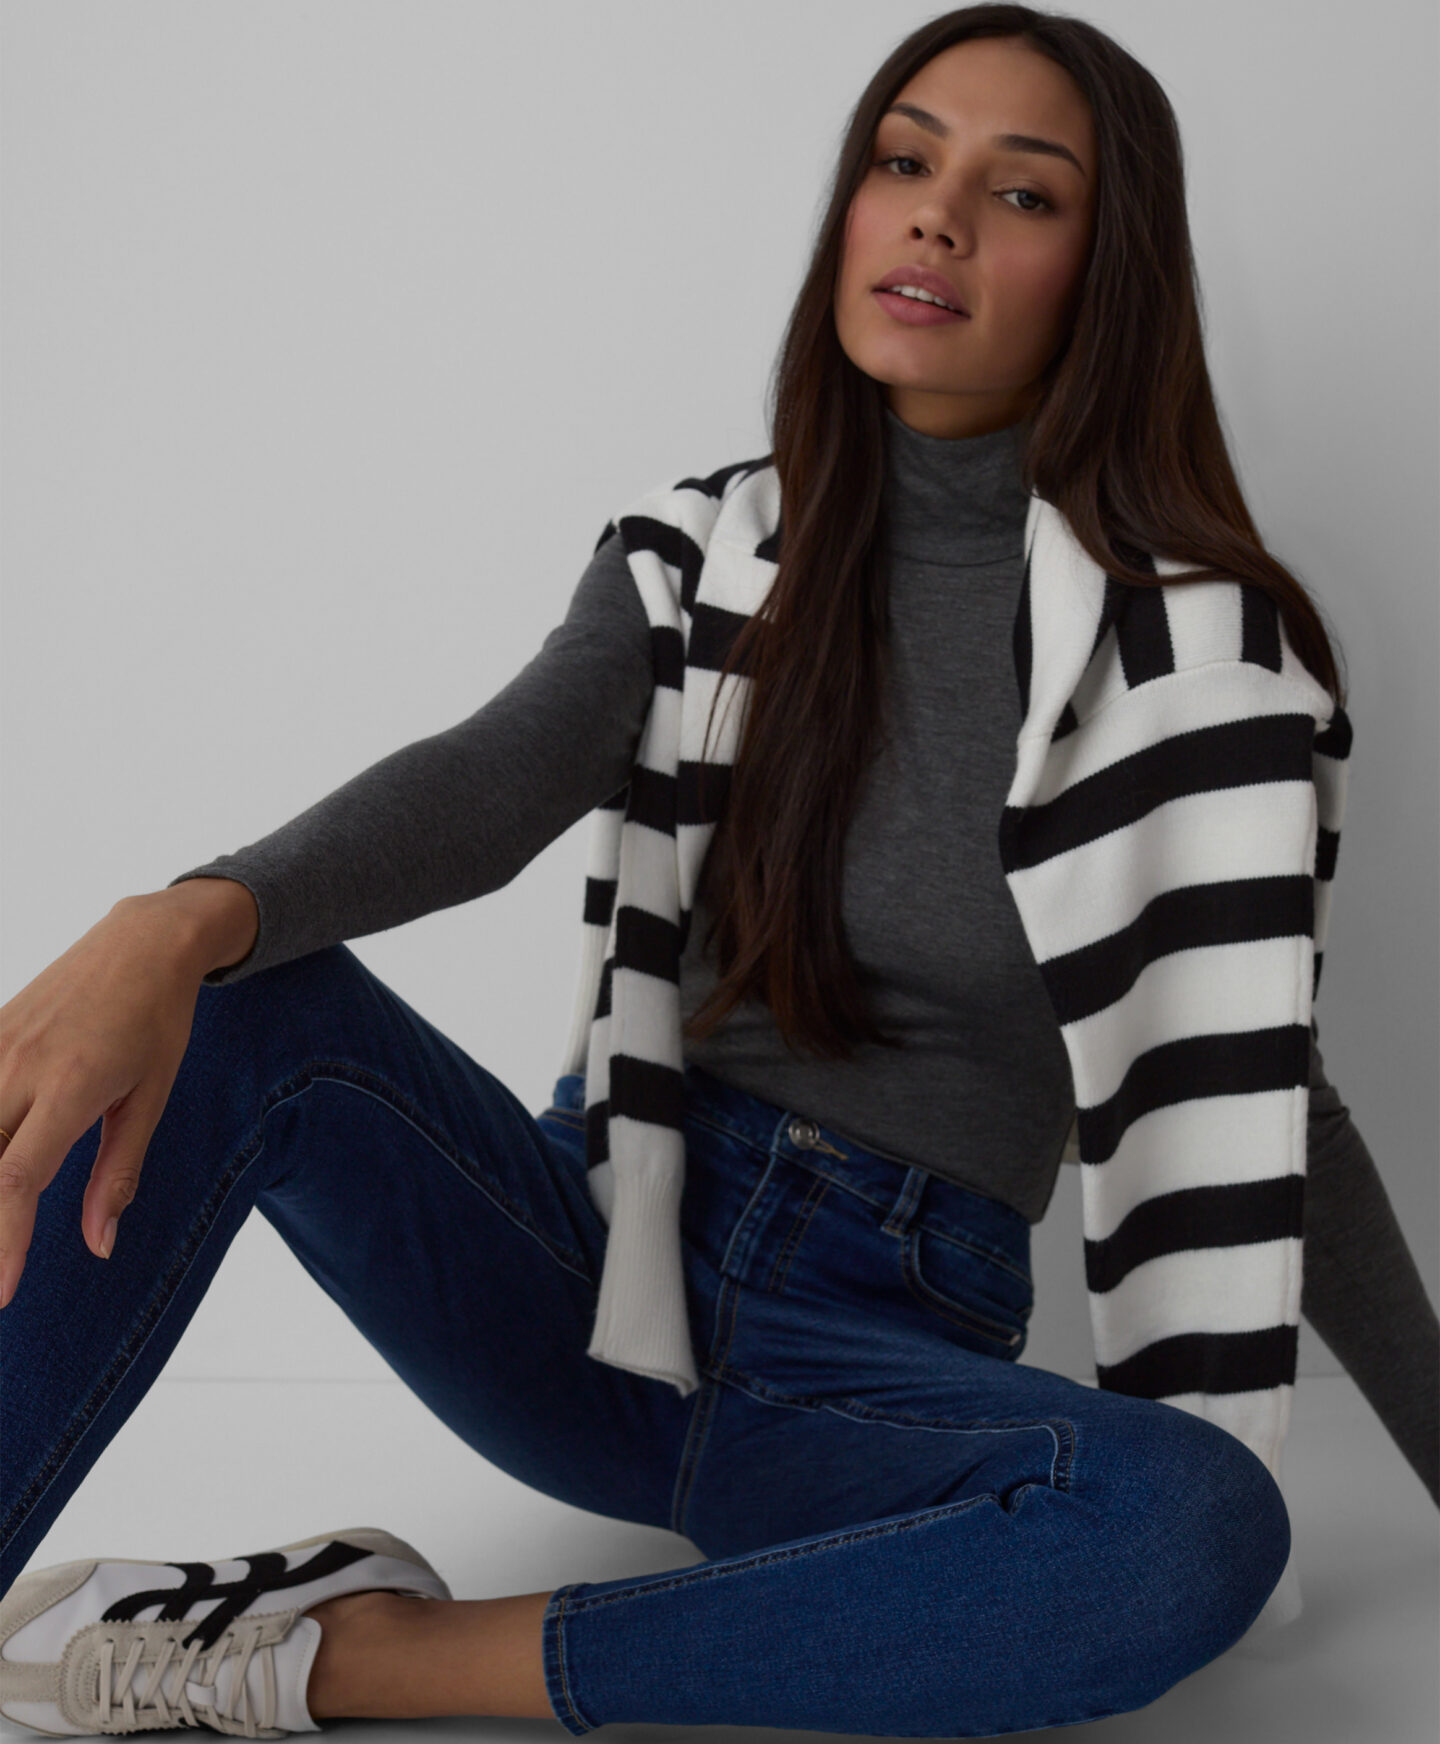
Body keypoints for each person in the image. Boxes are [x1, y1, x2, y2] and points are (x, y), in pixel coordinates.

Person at [1, 6, 1435, 1738]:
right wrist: (173, 923)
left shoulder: (1210, 667)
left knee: (1191, 1525)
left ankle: (345, 1654)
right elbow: (490, 784)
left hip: (868, 1374)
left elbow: (1268, 1101)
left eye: (1021, 192)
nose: (936, 215)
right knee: (225, 997)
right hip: (593, 1277)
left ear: (1107, 272)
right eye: (903, 161)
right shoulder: (700, 557)